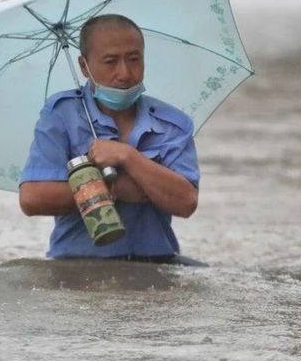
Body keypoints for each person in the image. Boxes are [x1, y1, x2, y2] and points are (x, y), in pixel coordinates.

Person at [19, 14, 200, 261]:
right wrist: (117, 187)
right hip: (77, 266)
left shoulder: (173, 124)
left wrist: (127, 156)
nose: (125, 73)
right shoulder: (61, 115)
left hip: (157, 265)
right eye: (110, 61)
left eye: (134, 59)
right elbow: (32, 198)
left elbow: (186, 201)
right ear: (84, 66)